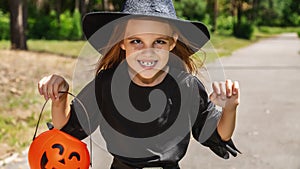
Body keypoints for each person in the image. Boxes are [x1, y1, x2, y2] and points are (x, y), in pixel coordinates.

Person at [38, 0, 240, 168]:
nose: (148, 52)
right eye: (136, 41)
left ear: (172, 42)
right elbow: (67, 128)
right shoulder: (106, 84)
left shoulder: (186, 86)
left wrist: (230, 107)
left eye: (159, 42)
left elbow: (217, 133)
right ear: (122, 42)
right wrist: (60, 97)